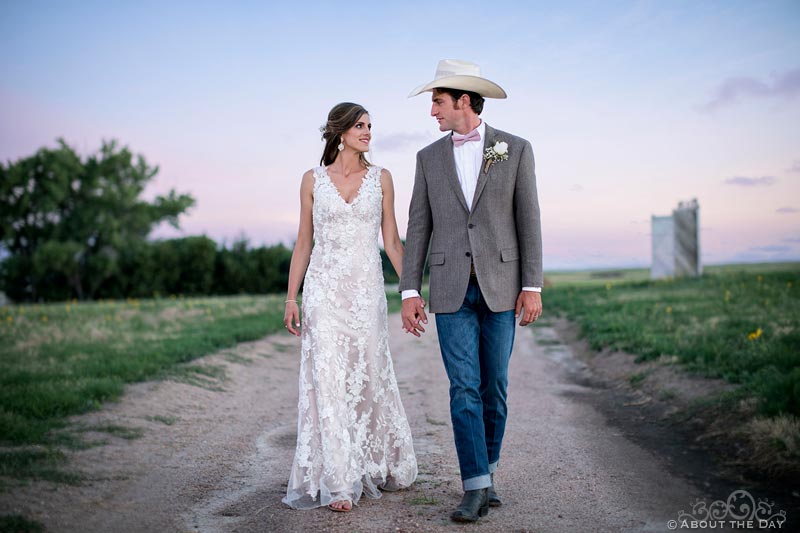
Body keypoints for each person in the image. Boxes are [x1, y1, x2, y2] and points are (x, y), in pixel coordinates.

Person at [400, 60, 543, 523]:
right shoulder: (427, 158)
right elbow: (418, 227)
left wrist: (532, 285)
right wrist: (408, 291)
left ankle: (488, 470)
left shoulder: (515, 149)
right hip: (449, 290)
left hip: (501, 286)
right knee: (463, 387)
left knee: (494, 388)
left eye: (437, 102)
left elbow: (529, 221)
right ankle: (475, 486)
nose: (432, 112)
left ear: (463, 100)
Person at [282, 102, 417, 512]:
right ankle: (339, 481)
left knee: (368, 375)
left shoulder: (382, 179)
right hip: (323, 292)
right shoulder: (311, 180)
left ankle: (375, 460)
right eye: (360, 126)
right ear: (340, 132)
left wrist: (411, 289)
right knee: (327, 379)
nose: (368, 132)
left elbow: (392, 242)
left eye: (370, 126)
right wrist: (293, 296)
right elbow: (303, 242)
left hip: (365, 294)